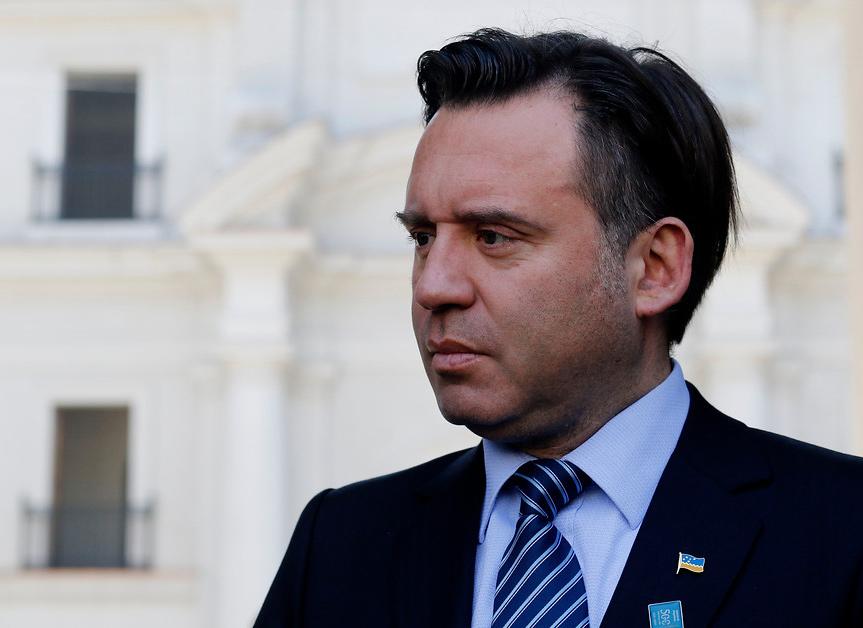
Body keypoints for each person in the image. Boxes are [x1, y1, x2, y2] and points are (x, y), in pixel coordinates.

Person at [254, 28, 863, 627]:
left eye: (493, 237)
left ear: (654, 268)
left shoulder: (841, 534)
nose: (433, 286)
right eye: (422, 238)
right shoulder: (340, 547)